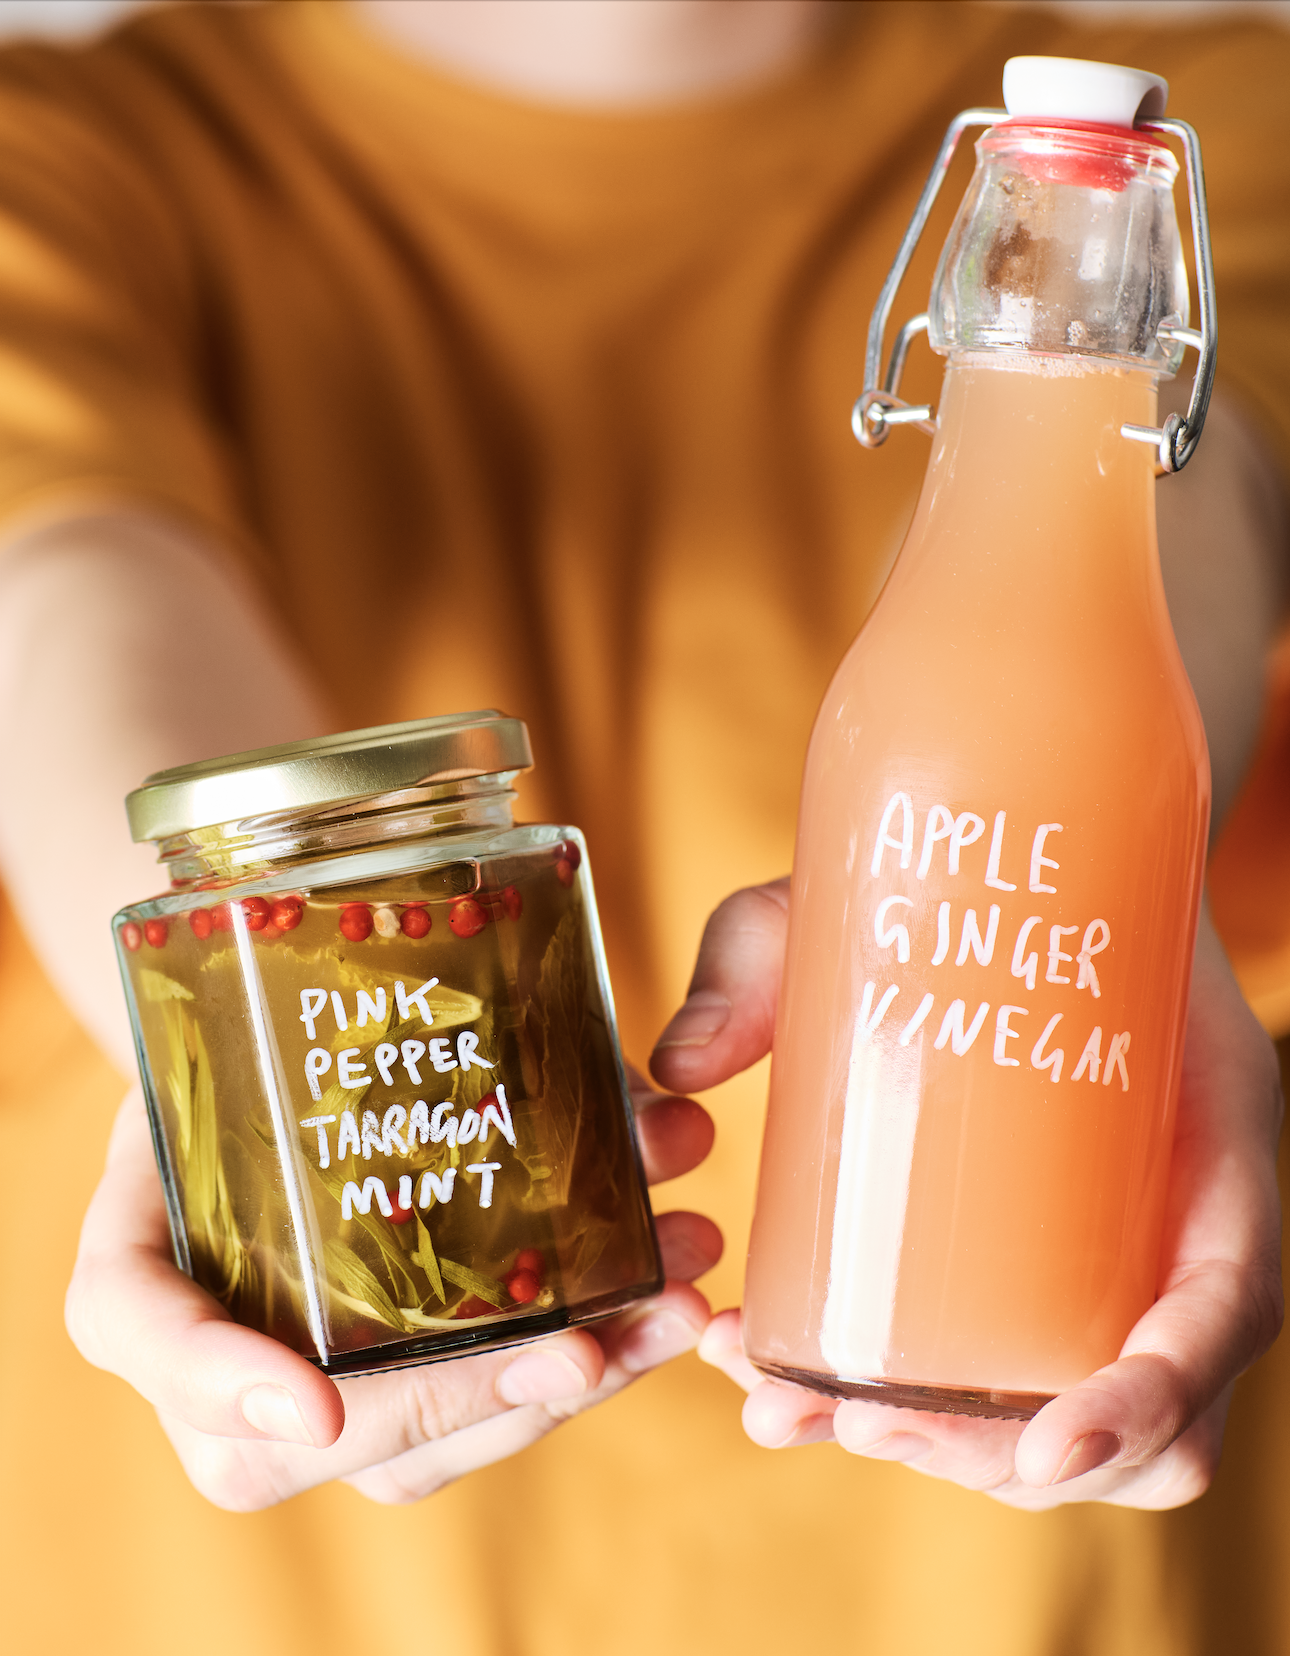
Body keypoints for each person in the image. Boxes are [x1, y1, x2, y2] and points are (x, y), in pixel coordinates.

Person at [0, 1, 1287, 1649]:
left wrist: (1109, 852)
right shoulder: (72, 160)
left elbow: (1196, 501)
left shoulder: (1214, 133)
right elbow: (75, 599)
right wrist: (256, 1057)